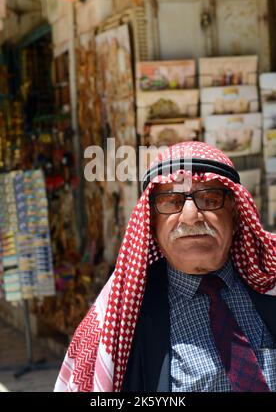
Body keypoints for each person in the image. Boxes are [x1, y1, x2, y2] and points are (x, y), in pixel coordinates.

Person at [54, 141, 276, 392]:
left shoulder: (269, 282)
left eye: (210, 198)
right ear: (151, 223)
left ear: (235, 216)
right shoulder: (115, 324)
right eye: (171, 202)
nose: (191, 216)